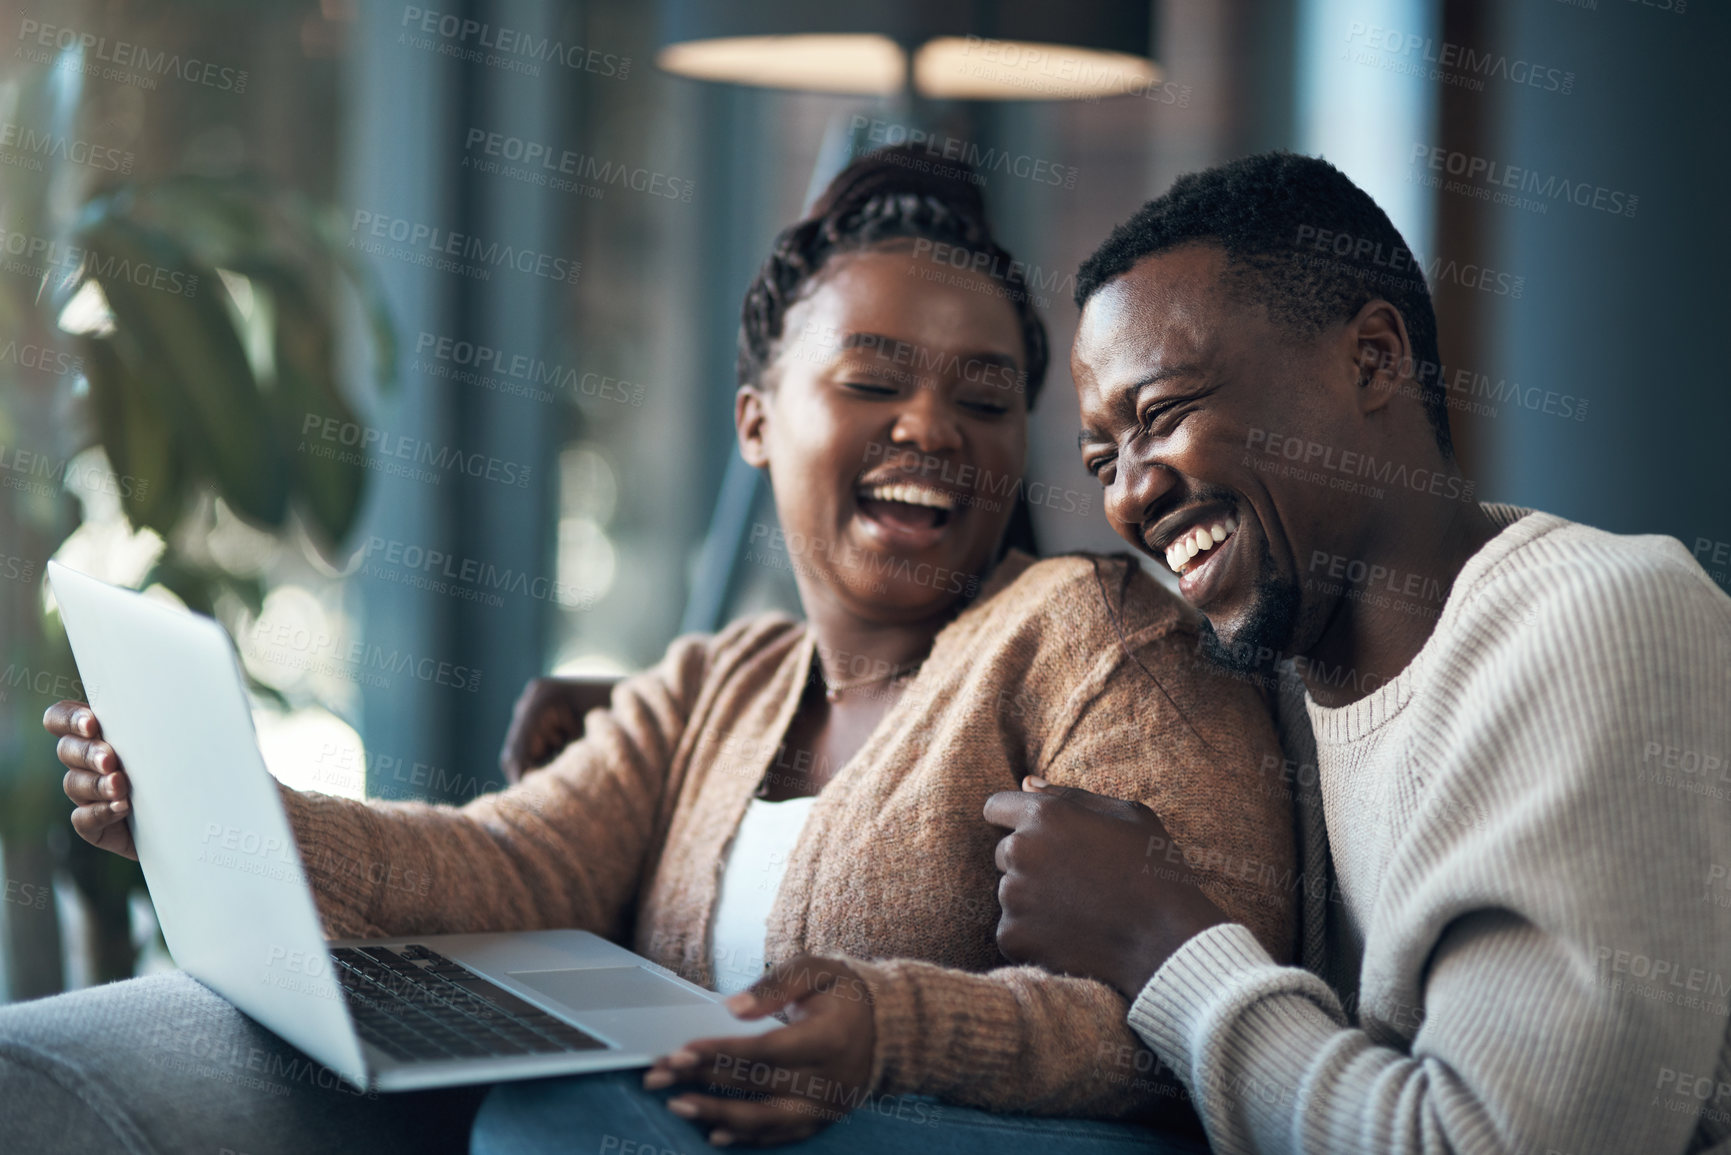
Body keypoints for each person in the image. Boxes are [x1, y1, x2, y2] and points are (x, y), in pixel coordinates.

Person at [18, 147, 1297, 1154]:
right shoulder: (716, 684)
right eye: (873, 382)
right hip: (688, 1131)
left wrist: (885, 1032)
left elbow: (1183, 1013)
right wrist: (229, 816)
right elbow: (512, 865)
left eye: (982, 398)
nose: (932, 428)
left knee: (559, 1125)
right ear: (756, 421)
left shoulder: (1095, 636)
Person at [981, 151, 1731, 1154]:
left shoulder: (1599, 622)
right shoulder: (1266, 698)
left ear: (1372, 358)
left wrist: (1156, 937)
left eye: (1161, 417)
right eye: (1099, 458)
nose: (1127, 495)